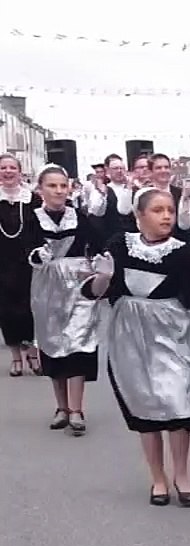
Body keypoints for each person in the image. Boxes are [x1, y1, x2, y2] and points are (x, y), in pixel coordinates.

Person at [81, 187, 190, 507]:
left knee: (179, 403)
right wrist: (104, 278)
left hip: (175, 333)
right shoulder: (119, 245)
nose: (166, 216)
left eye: (169, 209)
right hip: (130, 335)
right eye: (157, 210)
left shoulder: (185, 253)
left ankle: (182, 474)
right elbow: (94, 292)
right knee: (145, 408)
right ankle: (157, 477)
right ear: (139, 216)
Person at [27, 164, 104, 435]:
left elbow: (97, 244)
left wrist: (97, 263)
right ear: (40, 190)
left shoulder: (79, 216)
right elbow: (25, 249)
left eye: (63, 185)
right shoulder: (32, 217)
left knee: (79, 341)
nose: (59, 190)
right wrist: (38, 256)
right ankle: (61, 407)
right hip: (47, 286)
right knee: (54, 343)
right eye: (52, 185)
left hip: (78, 286)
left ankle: (77, 409)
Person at [0, 152, 40, 376]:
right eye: (3, 168)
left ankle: (33, 354)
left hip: (28, 262)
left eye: (12, 168)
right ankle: (16, 357)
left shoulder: (32, 199)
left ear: (19, 171)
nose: (8, 172)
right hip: (3, 263)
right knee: (7, 311)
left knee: (31, 309)